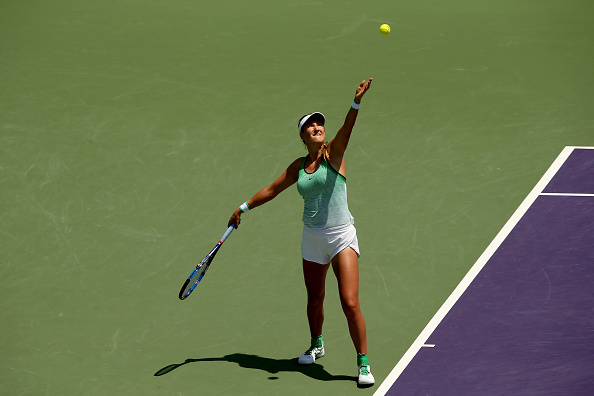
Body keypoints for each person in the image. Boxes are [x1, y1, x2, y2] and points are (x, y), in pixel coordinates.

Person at [228, 78, 374, 386]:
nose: (317, 127)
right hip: (312, 238)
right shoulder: (298, 166)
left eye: (320, 124)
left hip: (341, 237)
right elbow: (272, 189)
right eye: (311, 125)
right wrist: (243, 208)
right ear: (303, 136)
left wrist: (356, 101)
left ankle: (362, 362)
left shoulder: (333, 154)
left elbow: (347, 128)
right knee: (314, 298)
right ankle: (316, 343)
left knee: (349, 302)